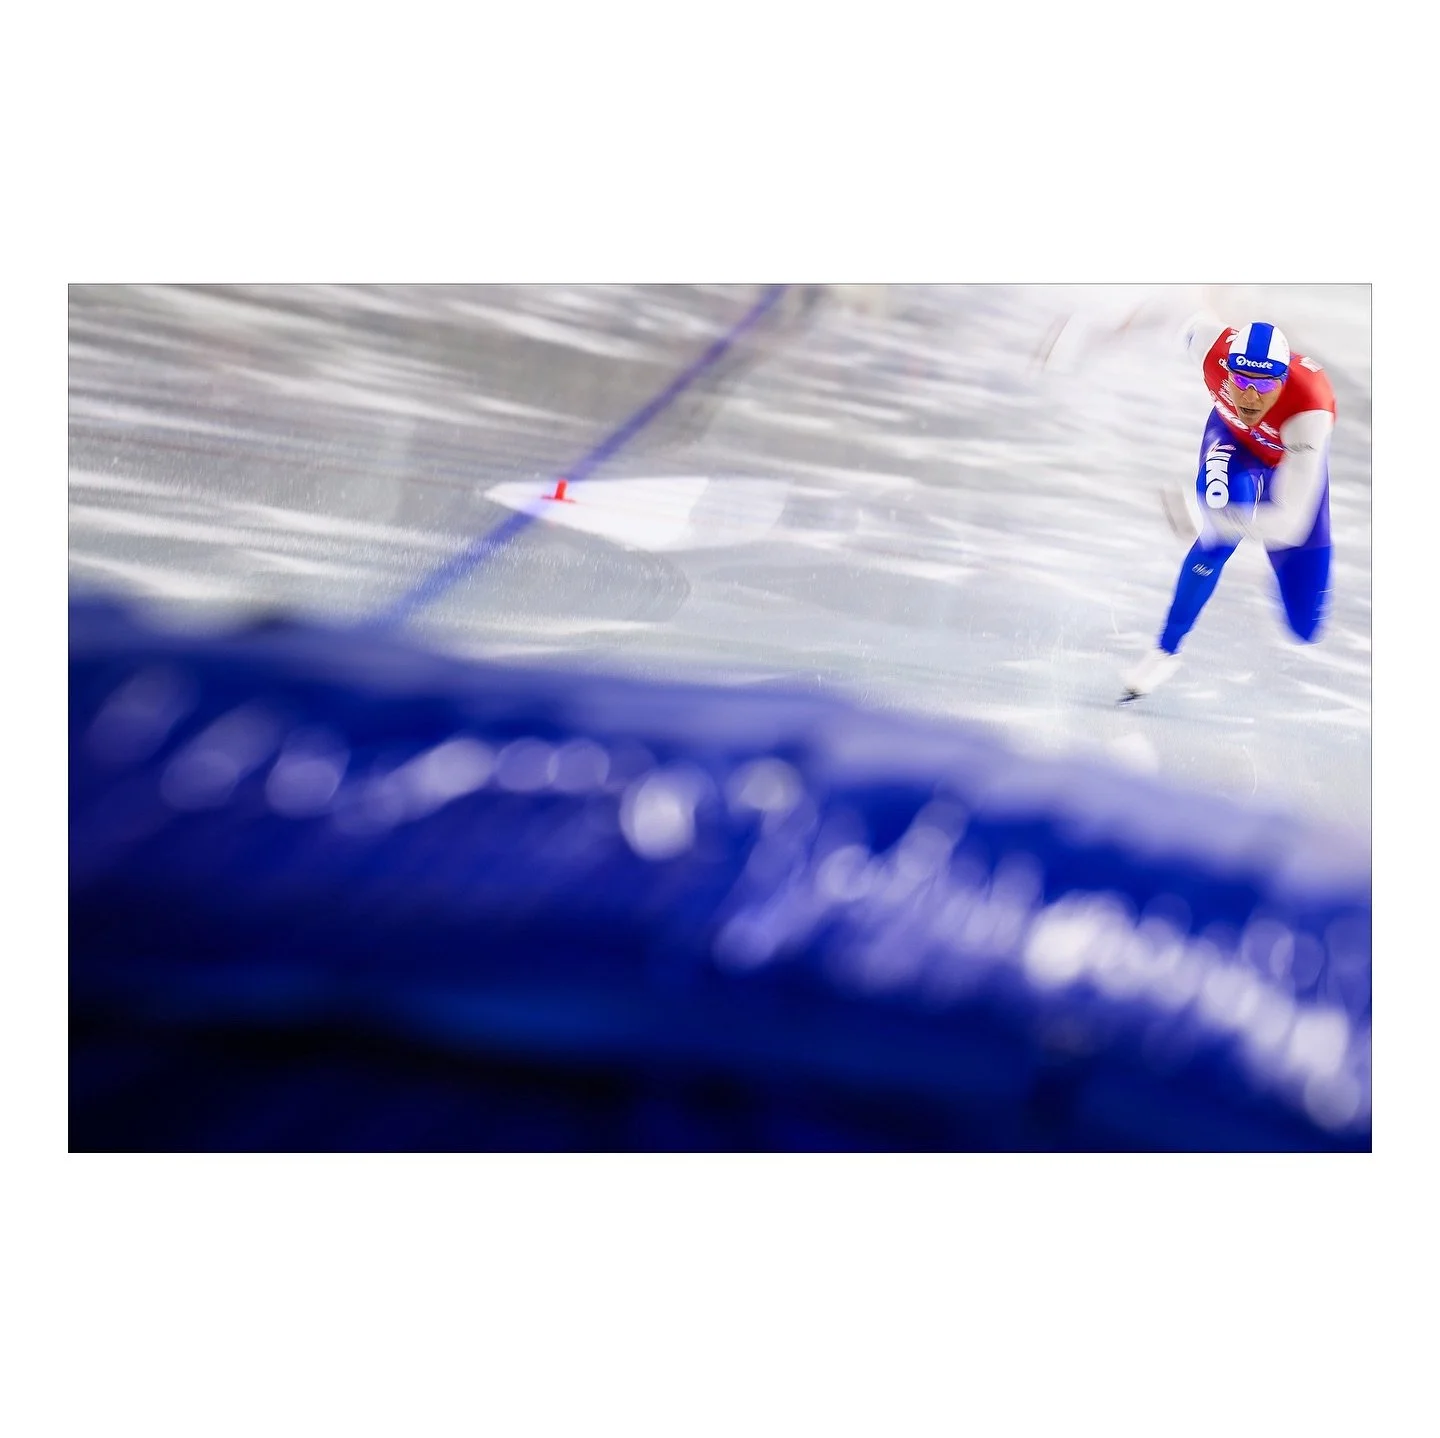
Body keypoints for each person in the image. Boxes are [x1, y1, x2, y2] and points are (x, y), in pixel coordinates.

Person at [1120, 315, 1338, 701]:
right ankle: (1165, 650)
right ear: (1227, 369)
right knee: (1217, 534)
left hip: (1289, 469)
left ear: (1284, 381)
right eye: (1241, 381)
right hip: (1232, 445)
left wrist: (1224, 522)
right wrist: (1097, 330)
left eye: (1266, 385)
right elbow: (1167, 317)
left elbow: (1290, 524)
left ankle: (1256, 565)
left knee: (1305, 626)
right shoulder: (1210, 348)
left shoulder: (1310, 410)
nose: (1250, 397)